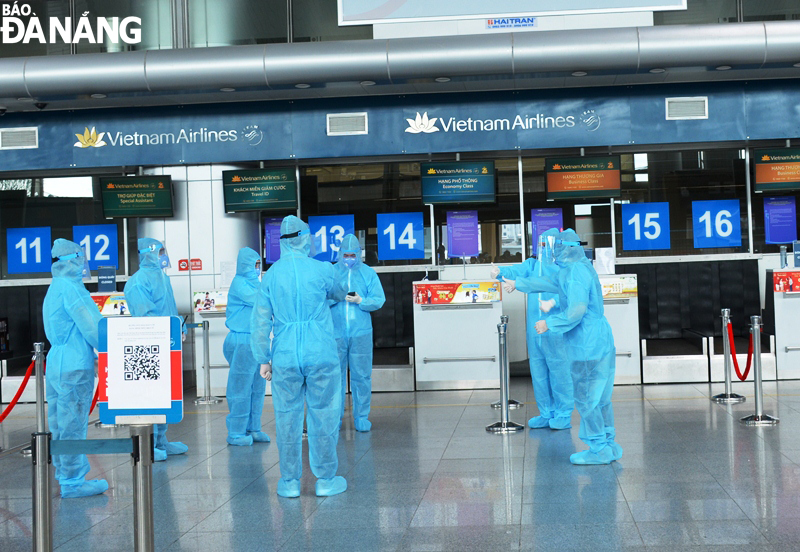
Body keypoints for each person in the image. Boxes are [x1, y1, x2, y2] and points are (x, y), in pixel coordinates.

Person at [250, 216, 347, 498]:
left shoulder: (271, 276)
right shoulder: (322, 270)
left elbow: (259, 322)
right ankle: (326, 479)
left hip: (284, 355)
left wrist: (263, 359)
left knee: (287, 417)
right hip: (321, 353)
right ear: (305, 238)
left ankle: (290, 482)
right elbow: (340, 292)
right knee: (324, 414)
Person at [533, 229, 621, 465]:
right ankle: (608, 444)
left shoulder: (573, 272)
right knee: (601, 398)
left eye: (555, 246)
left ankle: (599, 448)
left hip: (587, 345)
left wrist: (548, 323)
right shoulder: (582, 266)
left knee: (585, 397)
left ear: (562, 247)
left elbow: (576, 311)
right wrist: (516, 281)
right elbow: (548, 282)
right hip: (601, 339)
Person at [43, 239, 108, 498]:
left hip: (56, 362)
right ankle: (73, 482)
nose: (83, 263)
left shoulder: (55, 287)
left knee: (59, 422)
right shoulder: (72, 288)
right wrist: (116, 344)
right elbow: (93, 327)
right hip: (74, 364)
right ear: (73, 258)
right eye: (81, 258)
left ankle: (66, 475)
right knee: (73, 423)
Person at [491, 227, 573, 431]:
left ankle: (563, 413)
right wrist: (500, 273)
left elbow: (569, 292)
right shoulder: (532, 264)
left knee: (559, 371)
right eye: (541, 243)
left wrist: (553, 302)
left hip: (554, 329)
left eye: (547, 243)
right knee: (538, 372)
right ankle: (546, 412)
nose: (543, 247)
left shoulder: (563, 266)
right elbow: (517, 272)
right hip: (534, 330)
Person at [124, 238, 188, 462]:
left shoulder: (163, 278)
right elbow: (147, 318)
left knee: (166, 395)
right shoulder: (137, 282)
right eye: (160, 251)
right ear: (149, 253)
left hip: (168, 346)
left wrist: (180, 326)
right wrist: (168, 332)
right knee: (151, 397)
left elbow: (170, 309)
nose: (164, 255)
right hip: (150, 348)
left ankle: (161, 441)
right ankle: (149, 444)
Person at [330, 234, 385, 432]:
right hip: (335, 332)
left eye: (353, 255)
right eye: (346, 254)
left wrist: (362, 301)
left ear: (359, 254)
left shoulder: (368, 273)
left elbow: (379, 299)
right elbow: (321, 297)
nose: (349, 258)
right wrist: (336, 298)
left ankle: (361, 416)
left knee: (361, 375)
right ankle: (334, 418)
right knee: (335, 377)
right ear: (340, 253)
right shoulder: (332, 272)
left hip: (360, 332)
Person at [223, 247, 270, 446]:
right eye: (254, 265)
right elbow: (261, 300)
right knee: (240, 387)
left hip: (256, 340)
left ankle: (253, 427)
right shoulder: (240, 283)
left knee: (257, 387)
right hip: (242, 340)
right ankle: (236, 431)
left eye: (259, 265)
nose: (257, 269)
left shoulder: (256, 283)